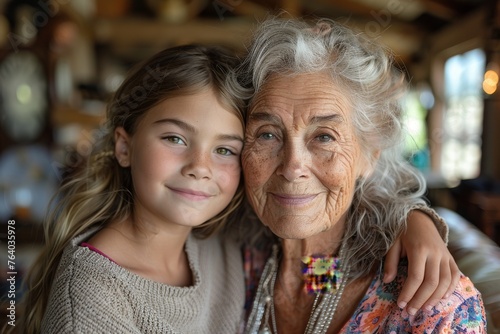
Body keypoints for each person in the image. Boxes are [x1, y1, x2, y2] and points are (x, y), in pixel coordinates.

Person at [16, 44, 455, 334]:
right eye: (174, 139)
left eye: (225, 149)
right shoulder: (93, 298)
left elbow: (322, 280)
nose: (199, 168)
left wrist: (411, 219)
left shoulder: (227, 245)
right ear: (124, 145)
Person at [239, 17, 486, 333]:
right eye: (267, 134)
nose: (291, 168)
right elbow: (318, 283)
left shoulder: (433, 309)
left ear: (370, 155)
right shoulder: (244, 262)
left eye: (324, 136)